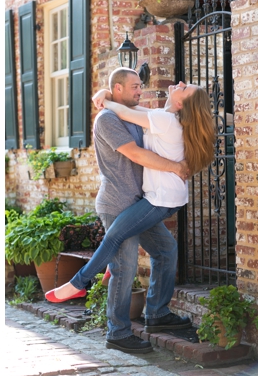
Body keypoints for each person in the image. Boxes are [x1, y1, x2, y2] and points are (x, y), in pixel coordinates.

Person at [44, 68, 205, 354]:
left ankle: (156, 313)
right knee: (124, 267)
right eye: (134, 86)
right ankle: (117, 331)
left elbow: (147, 114)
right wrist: (176, 167)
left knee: (166, 250)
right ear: (118, 89)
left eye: (141, 86)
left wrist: (105, 96)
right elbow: (135, 154)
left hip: (143, 201)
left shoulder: (135, 115)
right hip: (118, 201)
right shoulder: (107, 118)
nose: (140, 91)